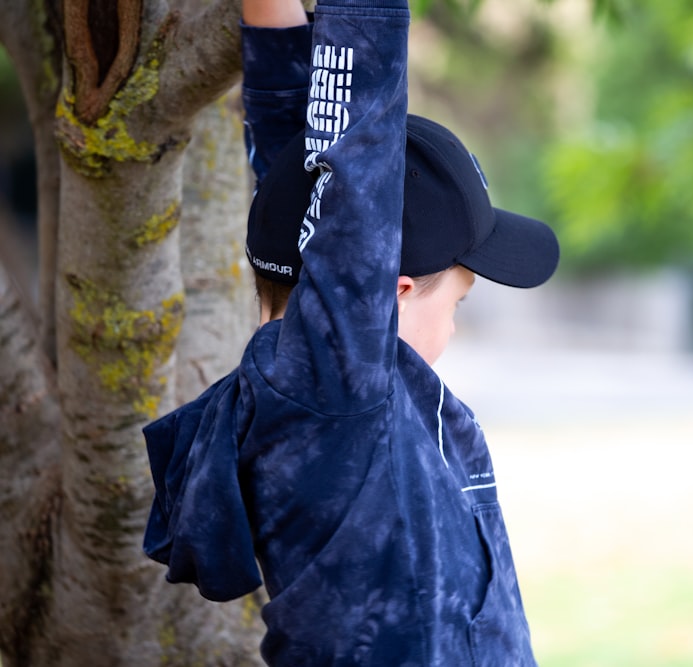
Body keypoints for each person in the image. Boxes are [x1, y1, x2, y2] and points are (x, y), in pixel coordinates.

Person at [142, 0, 559, 665]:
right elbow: (356, 141)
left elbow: (304, 164)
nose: (453, 326)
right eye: (457, 302)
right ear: (388, 295)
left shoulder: (313, 390)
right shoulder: (342, 395)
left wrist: (271, 14)